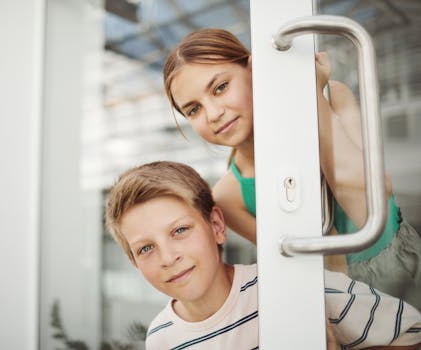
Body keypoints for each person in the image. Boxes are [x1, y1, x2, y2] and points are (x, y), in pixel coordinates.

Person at [162, 28, 421, 311]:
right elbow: (315, 268)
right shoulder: (228, 196)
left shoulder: (331, 96)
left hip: (406, 271)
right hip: (343, 304)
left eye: (220, 87)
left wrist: (311, 95)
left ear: (254, 69)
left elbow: (365, 195)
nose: (213, 114)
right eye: (194, 110)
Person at [105, 160, 421, 349]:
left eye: (179, 231)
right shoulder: (160, 338)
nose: (167, 257)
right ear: (133, 262)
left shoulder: (290, 288)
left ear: (216, 225)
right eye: (146, 248)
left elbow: (410, 334)